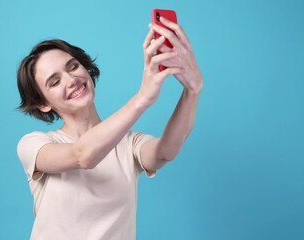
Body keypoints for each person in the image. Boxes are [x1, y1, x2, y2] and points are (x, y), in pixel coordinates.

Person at [16, 16, 203, 240]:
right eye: (54, 82)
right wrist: (143, 97)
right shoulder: (34, 145)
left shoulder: (129, 143)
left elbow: (166, 151)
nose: (71, 79)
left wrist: (193, 90)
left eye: (73, 66)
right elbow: (82, 155)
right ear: (43, 104)